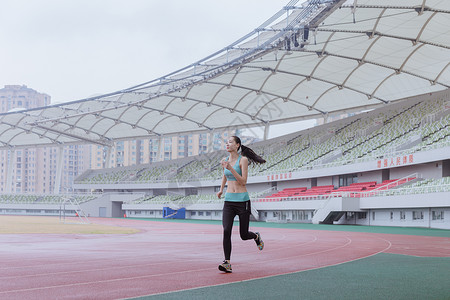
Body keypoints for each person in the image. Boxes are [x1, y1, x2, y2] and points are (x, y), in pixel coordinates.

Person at [216, 135, 266, 273]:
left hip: (242, 201)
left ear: (237, 145)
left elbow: (243, 181)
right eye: (226, 142)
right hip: (229, 201)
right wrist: (221, 190)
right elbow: (225, 175)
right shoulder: (225, 160)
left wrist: (230, 168)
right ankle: (227, 262)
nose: (227, 144)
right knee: (226, 231)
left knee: (243, 235)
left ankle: (256, 236)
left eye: (230, 142)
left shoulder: (243, 160)